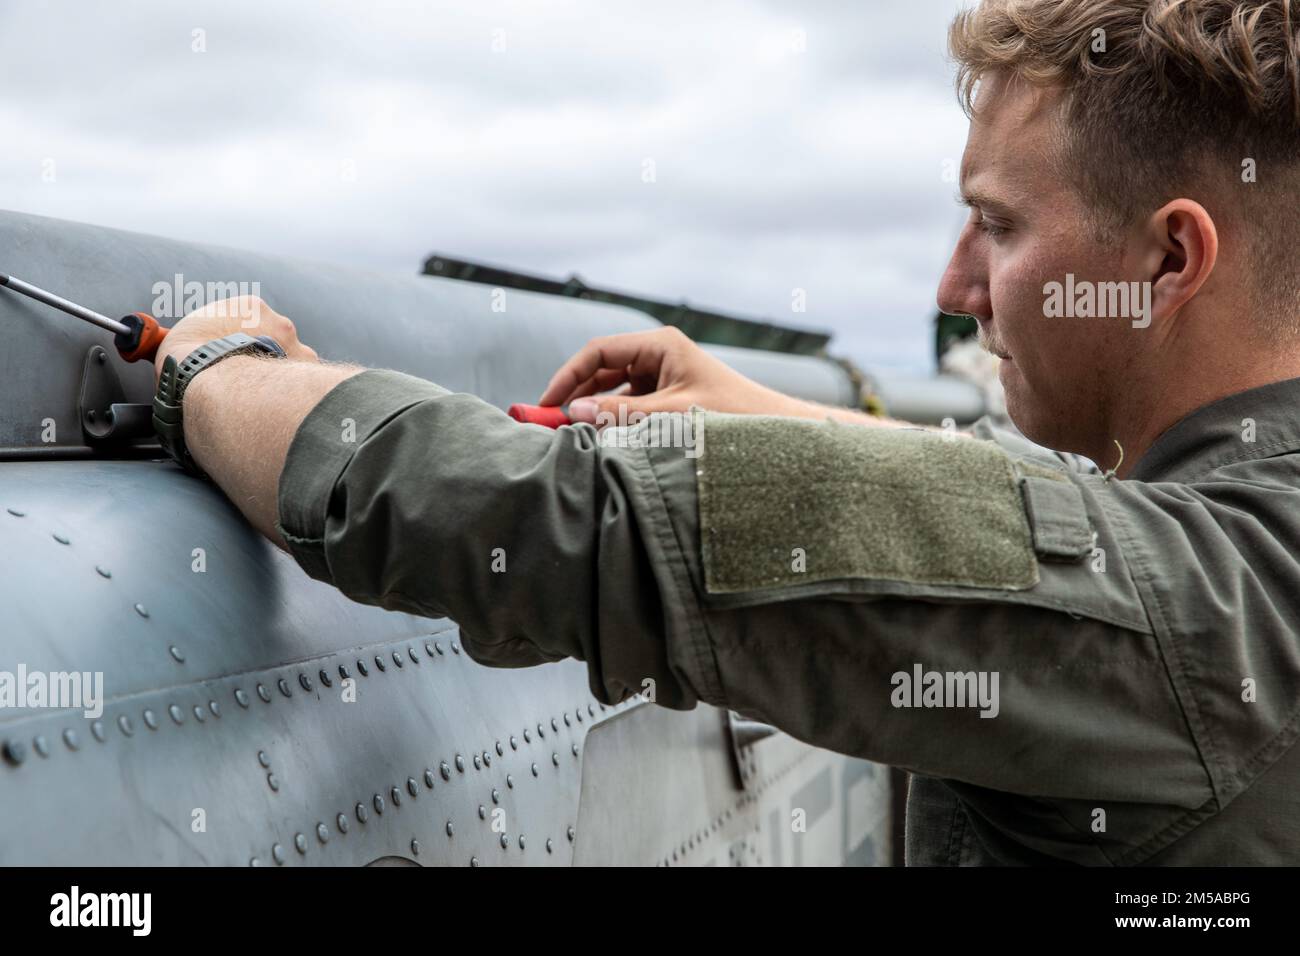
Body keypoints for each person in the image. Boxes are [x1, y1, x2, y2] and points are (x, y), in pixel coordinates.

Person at [147, 0, 1300, 864]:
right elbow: (1045, 525)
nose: (956, 283)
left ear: (1170, 260)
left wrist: (215, 371)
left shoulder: (1186, 619)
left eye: (996, 225)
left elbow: (553, 521)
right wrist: (777, 415)